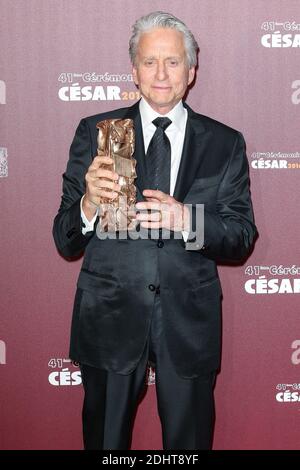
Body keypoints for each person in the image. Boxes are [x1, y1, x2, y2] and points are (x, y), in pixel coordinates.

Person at [53, 11, 257, 450]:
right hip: (109, 317)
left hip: (189, 322)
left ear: (192, 70)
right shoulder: (96, 133)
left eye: (173, 62)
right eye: (149, 62)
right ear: (133, 70)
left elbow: (241, 237)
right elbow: (64, 238)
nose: (161, 74)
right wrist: (88, 203)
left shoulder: (225, 143)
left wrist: (187, 220)